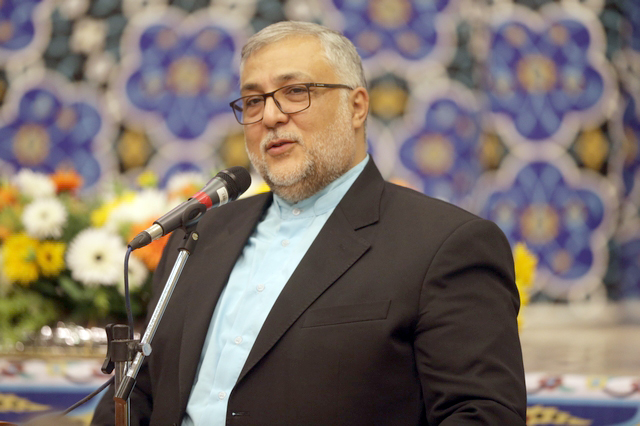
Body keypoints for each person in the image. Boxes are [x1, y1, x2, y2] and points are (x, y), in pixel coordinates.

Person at [92, 21, 526, 426]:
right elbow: (139, 392)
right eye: (254, 100)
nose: (270, 116)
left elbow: (480, 415)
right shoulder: (201, 235)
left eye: (295, 91)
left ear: (356, 107)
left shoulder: (445, 246)